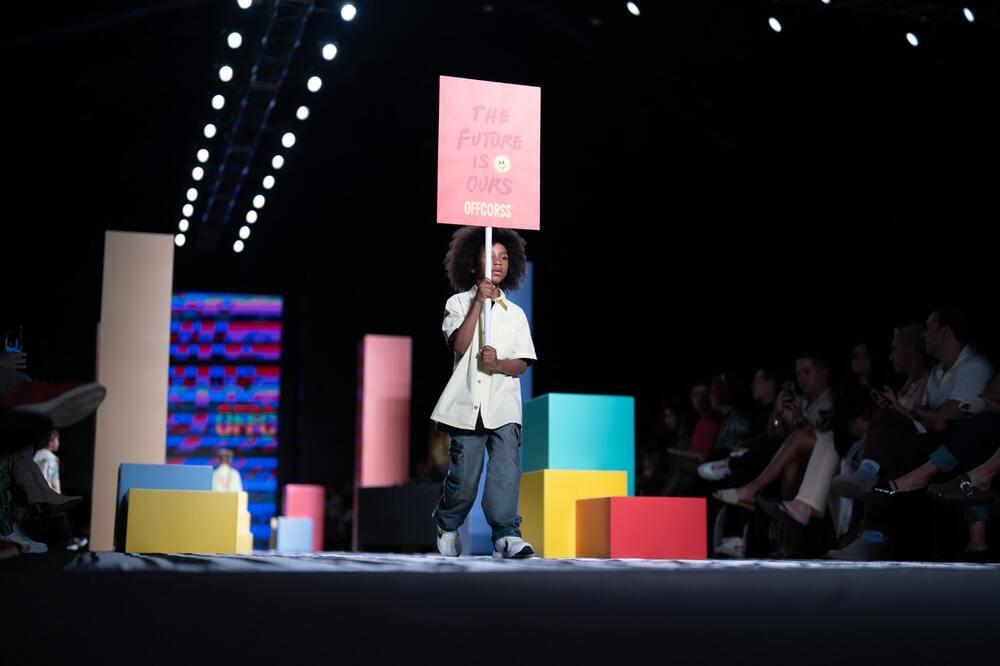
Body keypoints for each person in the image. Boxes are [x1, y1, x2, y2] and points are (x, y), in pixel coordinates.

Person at [430, 226, 537, 559]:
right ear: (472, 263)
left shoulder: (515, 314)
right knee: (464, 480)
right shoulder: (457, 302)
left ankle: (506, 535)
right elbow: (460, 345)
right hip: (466, 405)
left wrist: (498, 363)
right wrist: (479, 300)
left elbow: (522, 363)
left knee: (505, 474)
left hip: (504, 405)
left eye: (504, 257)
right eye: (490, 256)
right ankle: (447, 523)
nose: (498, 263)